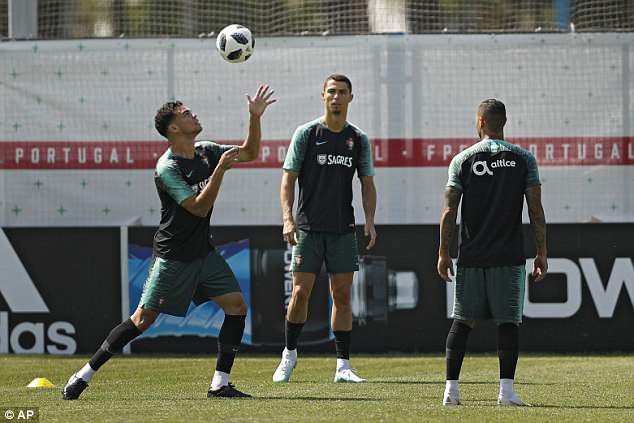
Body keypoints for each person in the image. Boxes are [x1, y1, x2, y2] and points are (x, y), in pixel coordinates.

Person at [62, 85, 276, 400]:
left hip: (203, 252)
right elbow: (199, 207)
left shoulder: (206, 150)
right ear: (174, 128)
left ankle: (219, 383)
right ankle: (82, 375)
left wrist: (254, 118)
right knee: (142, 320)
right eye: (187, 114)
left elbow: (250, 152)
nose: (194, 115)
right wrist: (219, 172)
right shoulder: (168, 168)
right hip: (174, 257)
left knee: (236, 306)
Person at [437, 99, 547, 406]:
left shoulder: (463, 160)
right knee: (508, 323)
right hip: (509, 256)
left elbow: (449, 211)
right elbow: (536, 211)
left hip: (471, 256)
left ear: (481, 122)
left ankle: (451, 392)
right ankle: (506, 393)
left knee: (461, 321)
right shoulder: (524, 159)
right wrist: (542, 252)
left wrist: (444, 252)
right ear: (504, 122)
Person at [273, 74, 377, 383]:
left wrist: (370, 219)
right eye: (331, 91)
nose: (336, 97)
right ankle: (289, 356)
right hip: (308, 228)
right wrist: (288, 218)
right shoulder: (306, 134)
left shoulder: (357, 139)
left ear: (350, 98)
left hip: (343, 229)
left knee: (342, 296)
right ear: (322, 95)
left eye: (342, 92)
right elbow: (288, 179)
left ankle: (343, 366)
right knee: (301, 294)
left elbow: (367, 184)